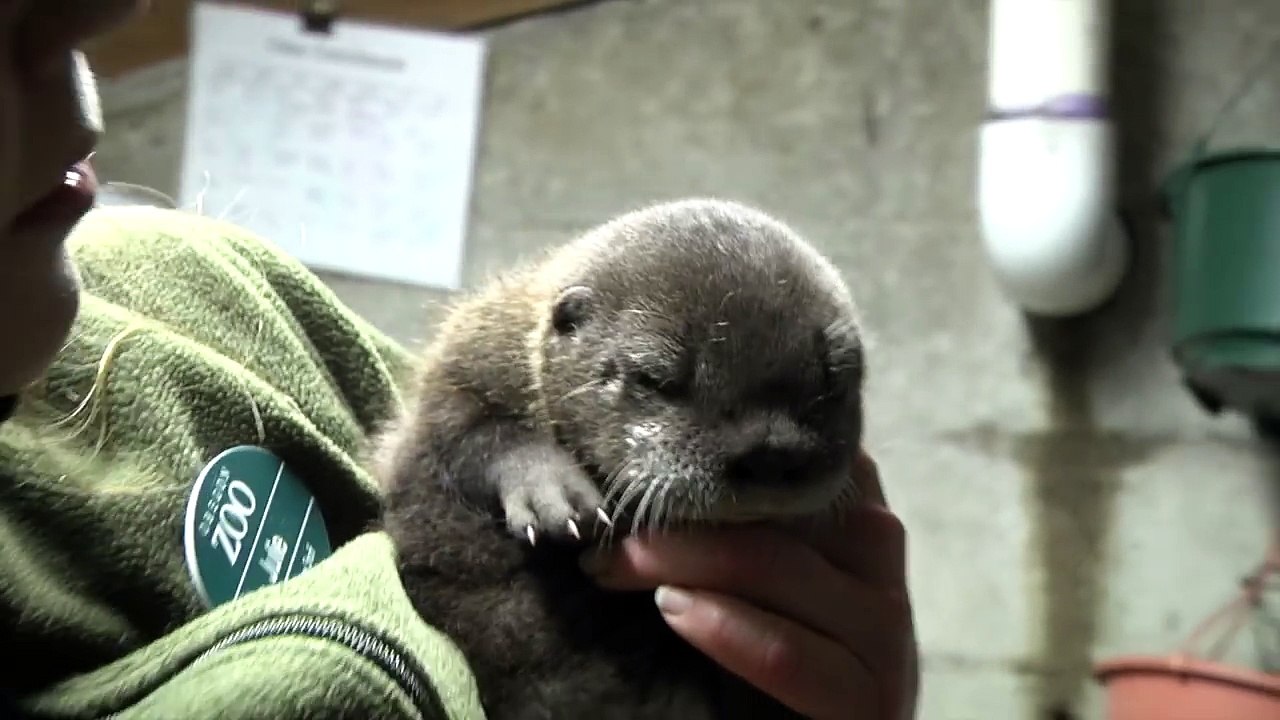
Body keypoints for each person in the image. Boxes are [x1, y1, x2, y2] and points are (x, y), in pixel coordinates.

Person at [0, 2, 919, 719]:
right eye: (658, 384)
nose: (103, 10)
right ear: (569, 330)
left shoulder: (199, 294)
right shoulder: (496, 354)